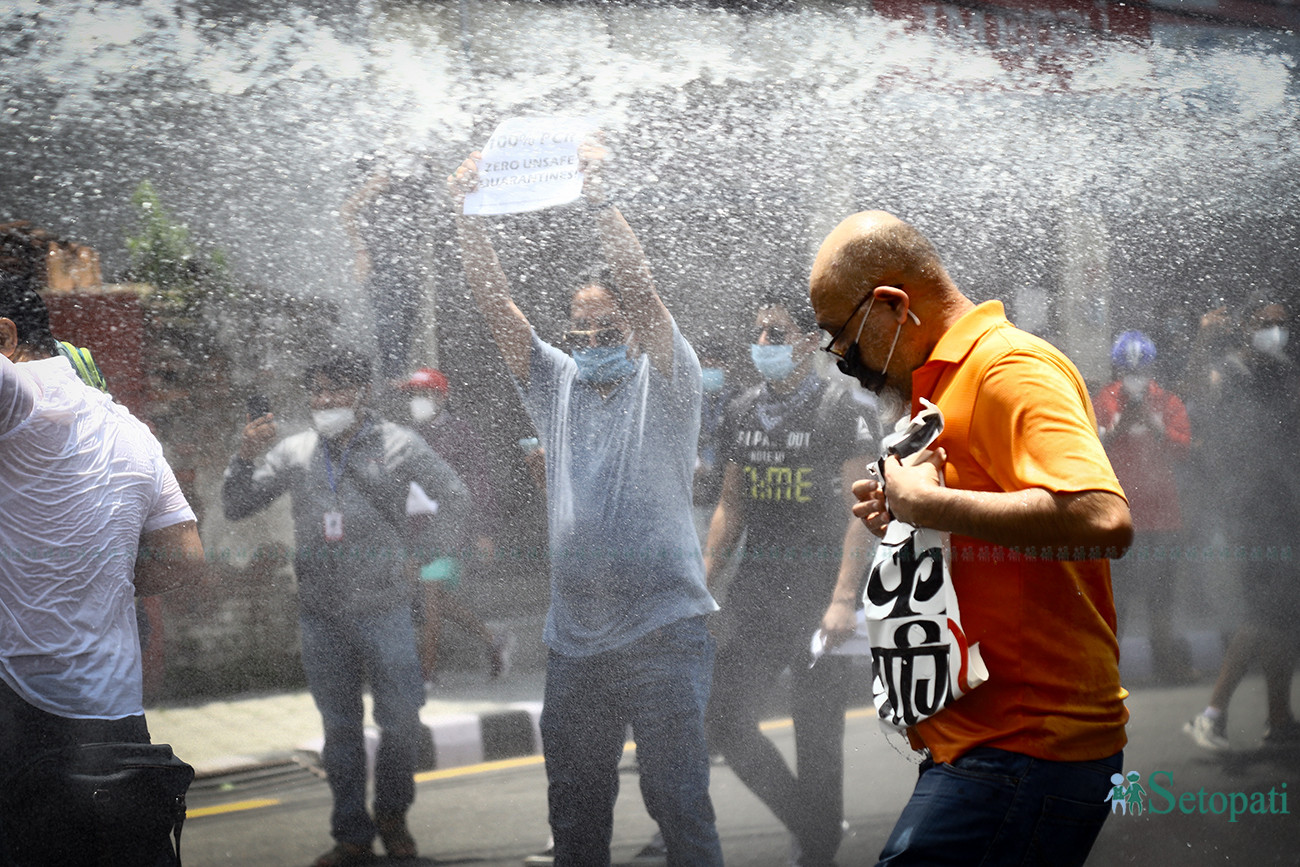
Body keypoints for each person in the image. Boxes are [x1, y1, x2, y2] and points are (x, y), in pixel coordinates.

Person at [808, 210, 1133, 867]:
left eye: (842, 337)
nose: (843, 361)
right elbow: (984, 515)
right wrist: (912, 513)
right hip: (984, 748)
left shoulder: (1009, 367)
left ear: (892, 305)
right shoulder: (941, 385)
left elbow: (1102, 518)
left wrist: (930, 501)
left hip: (1026, 746)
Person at [447, 148, 723, 866]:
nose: (596, 343)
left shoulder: (667, 380)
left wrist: (600, 200)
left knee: (679, 806)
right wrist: (468, 214)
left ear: (633, 328)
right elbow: (494, 304)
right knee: (574, 816)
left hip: (664, 631)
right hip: (576, 642)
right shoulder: (555, 383)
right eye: (583, 333)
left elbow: (641, 285)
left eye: (610, 331)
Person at [223, 351, 468, 867]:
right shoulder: (295, 451)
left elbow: (455, 495)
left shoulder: (400, 445)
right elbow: (237, 504)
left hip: (385, 609)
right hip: (321, 613)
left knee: (401, 721)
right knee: (340, 728)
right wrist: (243, 456)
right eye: (317, 392)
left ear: (362, 394)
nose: (324, 401)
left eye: (335, 391)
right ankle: (351, 834)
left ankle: (394, 815)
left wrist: (426, 560)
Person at [0, 275, 205, 860]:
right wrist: (99, 579)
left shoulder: (19, 400)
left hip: (25, 722)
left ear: (6, 337)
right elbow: (185, 558)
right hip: (118, 727)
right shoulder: (129, 429)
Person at [703, 288, 877, 866]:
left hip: (819, 596)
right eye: (758, 333)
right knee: (724, 720)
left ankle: (817, 851)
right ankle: (816, 826)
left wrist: (844, 599)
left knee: (817, 733)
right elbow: (732, 508)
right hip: (755, 594)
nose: (762, 345)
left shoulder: (842, 409)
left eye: (775, 334)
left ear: (808, 342)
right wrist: (704, 585)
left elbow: (863, 511)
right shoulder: (740, 410)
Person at [1180, 300, 1300, 750]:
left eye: (1282, 325)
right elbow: (1189, 391)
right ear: (1248, 328)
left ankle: (1278, 717)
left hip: (1285, 509)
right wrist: (1203, 340)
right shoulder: (1230, 371)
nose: (1275, 332)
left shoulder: (1287, 372)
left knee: (1284, 617)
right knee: (1263, 613)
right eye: (1266, 324)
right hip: (1247, 512)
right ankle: (1210, 715)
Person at [396, 366, 514, 682]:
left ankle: (425, 676)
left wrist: (484, 531)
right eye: (413, 395)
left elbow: (480, 484)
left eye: (423, 394)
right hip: (414, 533)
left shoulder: (460, 434)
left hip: (449, 531)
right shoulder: (405, 436)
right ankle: (493, 638)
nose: (417, 401)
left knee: (431, 599)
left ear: (441, 397)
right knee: (432, 600)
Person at [1094, 330, 1193, 683]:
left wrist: (1157, 428)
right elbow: (1089, 447)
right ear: (1118, 367)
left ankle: (1166, 664)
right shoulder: (1104, 400)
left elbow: (1184, 449)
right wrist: (1118, 430)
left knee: (1161, 596)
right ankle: (1106, 673)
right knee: (1116, 598)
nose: (1135, 376)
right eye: (1128, 368)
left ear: (1152, 367)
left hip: (1164, 516)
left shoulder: (1167, 402)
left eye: (1141, 368)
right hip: (1119, 515)